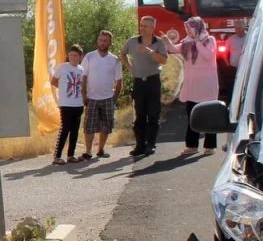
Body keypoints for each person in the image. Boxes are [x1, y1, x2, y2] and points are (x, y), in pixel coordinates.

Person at [121, 15, 171, 157]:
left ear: (152, 28)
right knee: (140, 115)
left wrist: (150, 52)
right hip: (138, 82)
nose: (142, 28)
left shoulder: (159, 43)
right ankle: (140, 145)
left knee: (153, 115)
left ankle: (151, 144)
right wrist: (129, 67)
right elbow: (123, 53)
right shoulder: (132, 41)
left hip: (153, 81)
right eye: (141, 25)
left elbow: (164, 60)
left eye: (145, 26)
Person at [173, 16, 220, 157]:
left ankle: (210, 146)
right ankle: (192, 146)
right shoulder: (186, 42)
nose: (187, 30)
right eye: (186, 28)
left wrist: (198, 42)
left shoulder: (209, 40)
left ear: (197, 28)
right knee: (192, 116)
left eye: (190, 28)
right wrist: (165, 41)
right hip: (192, 85)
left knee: (209, 116)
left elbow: (208, 55)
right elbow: (173, 49)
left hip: (207, 85)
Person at [78, 30, 123, 161]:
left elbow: (119, 81)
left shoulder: (114, 60)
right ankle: (88, 152)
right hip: (92, 97)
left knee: (106, 126)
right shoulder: (89, 57)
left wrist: (114, 99)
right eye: (101, 40)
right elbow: (83, 77)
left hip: (108, 98)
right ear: (98, 41)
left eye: (105, 41)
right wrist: (84, 95)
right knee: (89, 126)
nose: (102, 43)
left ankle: (101, 150)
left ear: (110, 43)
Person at [50, 43, 85, 165]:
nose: (73, 57)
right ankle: (57, 156)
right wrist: (64, 90)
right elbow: (54, 81)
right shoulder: (63, 67)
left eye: (75, 55)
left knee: (75, 130)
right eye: (71, 55)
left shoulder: (81, 69)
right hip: (66, 104)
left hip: (78, 104)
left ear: (80, 57)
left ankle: (71, 155)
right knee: (65, 129)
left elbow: (83, 85)